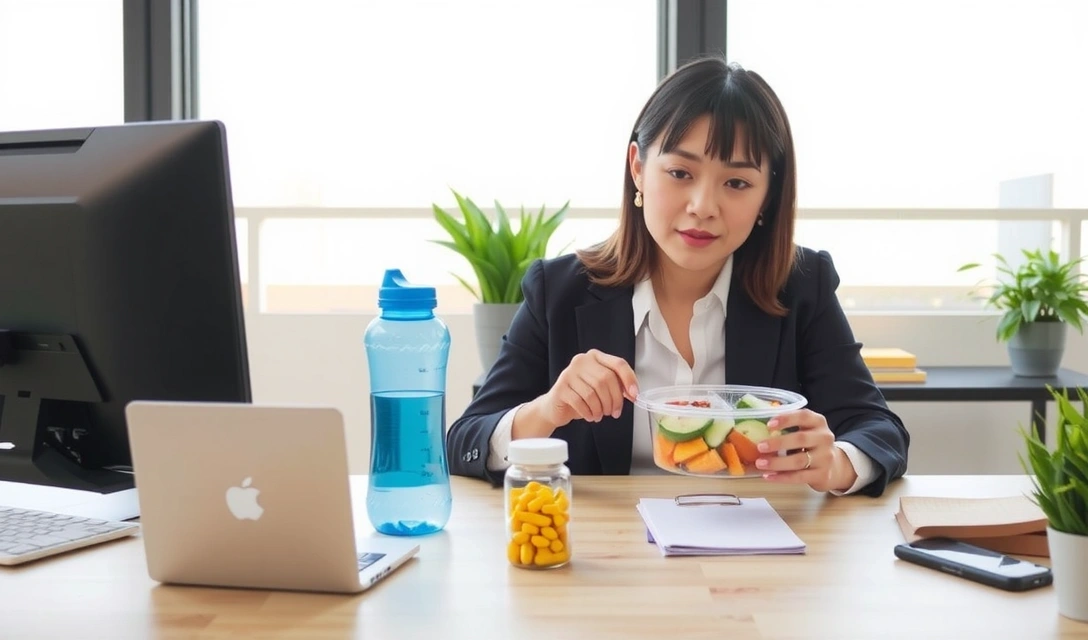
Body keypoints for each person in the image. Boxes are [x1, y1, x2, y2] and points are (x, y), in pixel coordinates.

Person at [446, 55, 909, 497]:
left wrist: (836, 463)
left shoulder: (801, 286)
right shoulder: (560, 292)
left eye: (737, 183)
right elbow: (465, 439)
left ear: (768, 196)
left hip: (757, 560)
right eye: (680, 172)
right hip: (607, 560)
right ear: (638, 170)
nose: (703, 206)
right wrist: (547, 410)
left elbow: (880, 432)